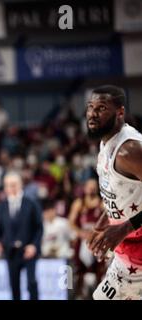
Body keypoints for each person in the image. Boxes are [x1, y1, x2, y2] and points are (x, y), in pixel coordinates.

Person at [86, 85, 142, 300]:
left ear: (120, 112)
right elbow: (118, 196)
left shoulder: (129, 150)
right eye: (91, 107)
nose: (92, 114)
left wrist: (123, 228)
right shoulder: (106, 143)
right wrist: (101, 223)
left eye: (101, 108)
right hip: (127, 254)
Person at [0, 172, 43, 300]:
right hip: (11, 252)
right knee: (14, 287)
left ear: (20, 185)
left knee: (31, 283)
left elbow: (39, 228)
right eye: (7, 185)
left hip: (29, 251)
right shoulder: (2, 207)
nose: (10, 188)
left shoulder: (31, 204)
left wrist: (33, 245)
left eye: (13, 185)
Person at [68, 179, 106, 299]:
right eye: (89, 187)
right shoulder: (79, 203)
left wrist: (100, 234)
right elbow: (71, 222)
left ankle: (98, 294)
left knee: (99, 270)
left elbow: (110, 222)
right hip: (83, 240)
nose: (91, 189)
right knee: (79, 270)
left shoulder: (102, 203)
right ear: (84, 188)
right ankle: (79, 294)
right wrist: (80, 233)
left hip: (98, 240)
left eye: (94, 187)